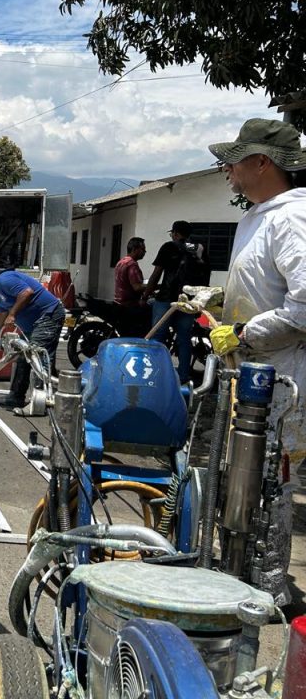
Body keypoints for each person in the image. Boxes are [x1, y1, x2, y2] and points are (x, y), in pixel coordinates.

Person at [208, 117, 306, 606]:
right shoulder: (258, 216)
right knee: (238, 477)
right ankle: (236, 576)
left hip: (281, 374)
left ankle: (266, 597)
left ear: (262, 162)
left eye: (235, 159)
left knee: (269, 480)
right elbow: (261, 287)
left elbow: (304, 305)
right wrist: (220, 305)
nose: (226, 168)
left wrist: (246, 331)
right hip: (247, 371)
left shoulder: (292, 217)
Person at [0, 264, 65, 414]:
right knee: (24, 357)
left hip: (48, 315)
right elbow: (1, 313)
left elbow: (26, 292)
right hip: (33, 325)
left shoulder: (5, 280)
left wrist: (13, 314)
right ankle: (16, 397)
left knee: (39, 357)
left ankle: (42, 403)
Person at [141, 220, 207, 382]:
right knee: (184, 338)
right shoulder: (198, 248)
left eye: (173, 233)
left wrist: (145, 295)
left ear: (176, 233)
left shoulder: (168, 247)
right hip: (188, 301)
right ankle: (183, 375)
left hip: (166, 298)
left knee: (158, 337)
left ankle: (156, 374)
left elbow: (157, 273)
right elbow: (205, 275)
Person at [114, 237, 150, 336]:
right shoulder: (132, 264)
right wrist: (153, 286)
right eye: (143, 249)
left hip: (120, 302)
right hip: (130, 304)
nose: (145, 252)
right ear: (135, 249)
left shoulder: (122, 261)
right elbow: (137, 287)